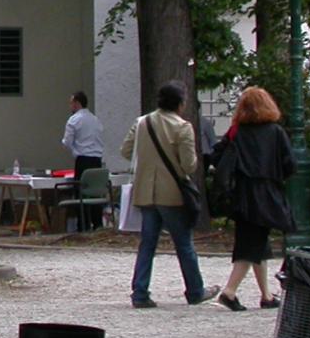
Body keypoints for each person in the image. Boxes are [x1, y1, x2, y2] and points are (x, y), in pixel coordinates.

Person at [119, 81, 217, 309]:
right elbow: (189, 165)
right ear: (180, 103)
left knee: (147, 244)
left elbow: (125, 151)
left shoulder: (142, 123)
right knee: (183, 243)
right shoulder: (182, 127)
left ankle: (140, 292)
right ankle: (195, 290)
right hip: (172, 192)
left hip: (146, 191)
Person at [214, 87, 296, 311]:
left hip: (241, 194)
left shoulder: (236, 132)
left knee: (257, 242)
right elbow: (290, 164)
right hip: (266, 193)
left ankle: (266, 295)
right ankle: (229, 292)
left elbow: (217, 156)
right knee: (251, 245)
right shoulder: (275, 132)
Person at [60, 91, 105, 231]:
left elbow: (67, 142)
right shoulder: (96, 120)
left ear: (77, 103)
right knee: (95, 191)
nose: (70, 106)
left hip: (83, 160)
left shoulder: (74, 120)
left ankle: (83, 226)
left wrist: (74, 150)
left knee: (81, 191)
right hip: (97, 161)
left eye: (71, 102)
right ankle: (98, 224)